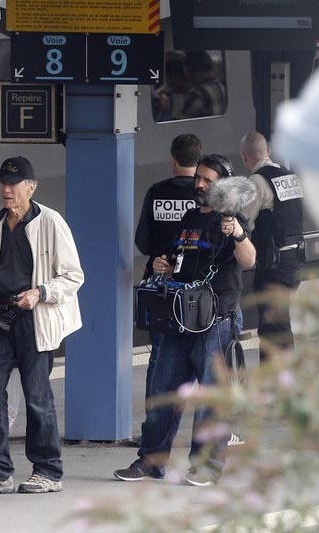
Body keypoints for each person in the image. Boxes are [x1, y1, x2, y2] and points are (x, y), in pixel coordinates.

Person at [114, 154, 256, 486]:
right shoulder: (189, 217)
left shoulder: (232, 219)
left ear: (223, 184)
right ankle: (150, 462)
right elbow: (171, 258)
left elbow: (249, 259)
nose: (201, 184)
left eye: (208, 180)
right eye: (199, 179)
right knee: (164, 391)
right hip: (179, 319)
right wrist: (160, 265)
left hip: (216, 321)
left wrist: (236, 233)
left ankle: (207, 466)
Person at [0, 157, 84, 495]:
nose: (5, 189)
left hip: (35, 319)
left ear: (30, 187)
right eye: (2, 183)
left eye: (13, 184)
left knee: (37, 396)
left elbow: (74, 276)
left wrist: (40, 293)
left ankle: (48, 470)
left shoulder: (51, 222)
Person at [134, 133, 200, 404]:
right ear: (199, 160)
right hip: (195, 288)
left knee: (159, 355)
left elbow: (142, 241)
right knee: (200, 353)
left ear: (173, 159)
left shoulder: (157, 192)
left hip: (161, 286)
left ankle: (154, 420)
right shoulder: (203, 197)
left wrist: (158, 259)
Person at [240, 131, 304, 363]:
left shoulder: (256, 182)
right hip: (294, 261)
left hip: (274, 265)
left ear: (245, 157)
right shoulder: (290, 177)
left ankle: (277, 386)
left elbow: (244, 222)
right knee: (280, 323)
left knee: (272, 328)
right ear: (268, 151)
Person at [176, 51, 227, 119]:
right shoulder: (221, 87)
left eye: (186, 71)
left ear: (189, 69)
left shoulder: (197, 94)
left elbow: (180, 125)